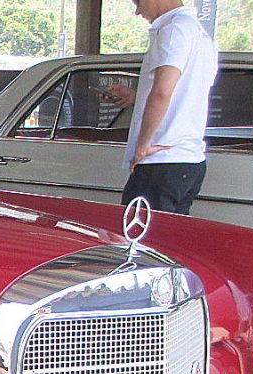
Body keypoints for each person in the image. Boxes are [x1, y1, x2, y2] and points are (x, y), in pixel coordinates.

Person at [102, 0, 217, 215]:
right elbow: (185, 93)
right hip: (189, 159)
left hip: (161, 159)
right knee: (170, 233)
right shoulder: (200, 34)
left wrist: (142, 146)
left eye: (138, 2)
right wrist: (136, 97)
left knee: (139, 231)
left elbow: (162, 92)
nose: (138, 11)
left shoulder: (174, 30)